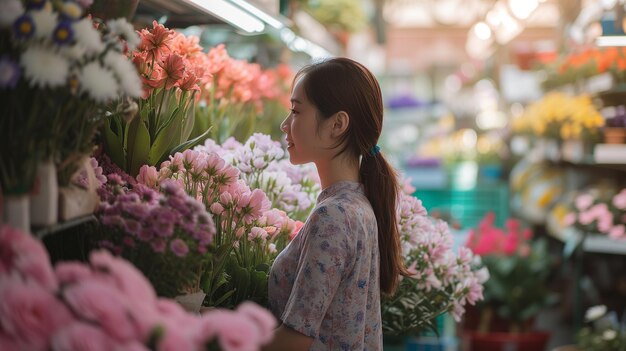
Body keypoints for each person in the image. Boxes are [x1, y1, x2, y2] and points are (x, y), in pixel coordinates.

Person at [264, 57, 407, 351]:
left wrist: (217, 329)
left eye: (295, 110)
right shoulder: (357, 205)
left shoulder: (334, 215)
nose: (285, 124)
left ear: (337, 124)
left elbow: (293, 342)